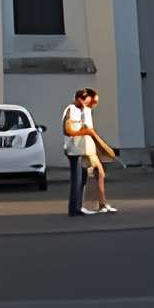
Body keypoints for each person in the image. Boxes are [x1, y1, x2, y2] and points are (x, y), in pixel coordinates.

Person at [77, 89, 118, 214]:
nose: (96, 103)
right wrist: (102, 146)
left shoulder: (87, 110)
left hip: (88, 147)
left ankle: (99, 203)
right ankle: (95, 204)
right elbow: (88, 130)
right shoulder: (84, 111)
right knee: (96, 174)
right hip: (84, 148)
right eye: (95, 100)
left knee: (95, 174)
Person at [62, 89, 93, 217]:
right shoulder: (70, 110)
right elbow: (67, 129)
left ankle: (79, 206)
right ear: (79, 99)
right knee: (77, 179)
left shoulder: (87, 111)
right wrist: (81, 132)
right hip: (74, 149)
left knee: (84, 177)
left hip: (85, 148)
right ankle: (73, 209)